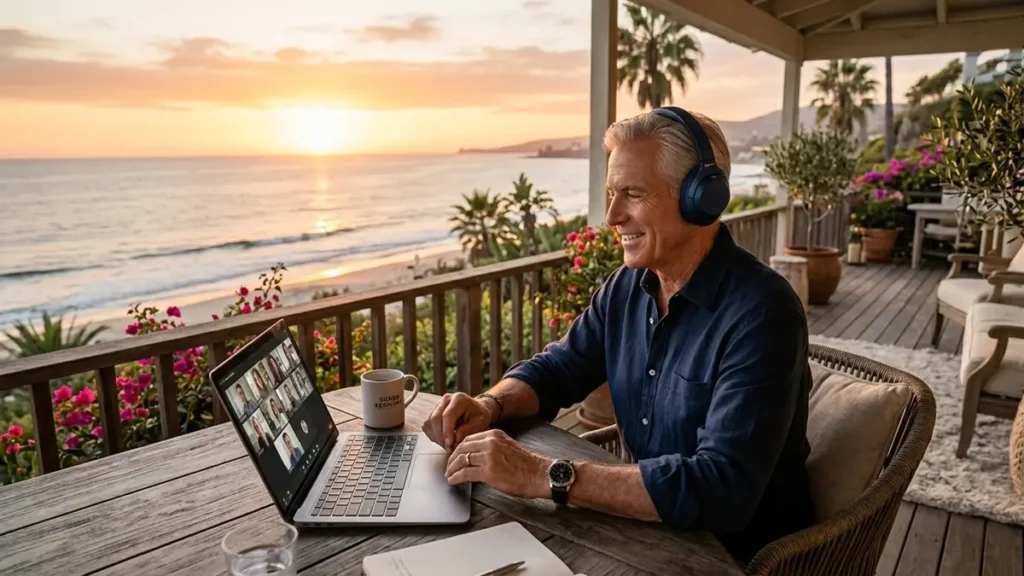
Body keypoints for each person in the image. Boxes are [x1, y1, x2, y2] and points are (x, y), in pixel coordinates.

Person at [422, 108, 815, 562]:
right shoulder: (625, 287)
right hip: (639, 530)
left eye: (633, 193)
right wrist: (490, 405)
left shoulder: (763, 313)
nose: (612, 216)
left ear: (701, 198)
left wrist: (542, 474)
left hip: (732, 557)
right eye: (612, 193)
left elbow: (721, 489)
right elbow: (559, 368)